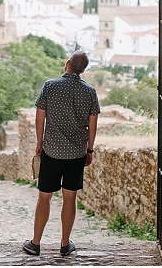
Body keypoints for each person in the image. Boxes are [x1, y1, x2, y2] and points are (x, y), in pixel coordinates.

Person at [23, 50, 100, 257]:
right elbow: (93, 125)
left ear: (67, 64)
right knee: (69, 197)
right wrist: (89, 149)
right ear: (83, 70)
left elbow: (40, 118)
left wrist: (39, 143)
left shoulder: (50, 86)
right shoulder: (90, 92)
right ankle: (65, 244)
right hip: (76, 154)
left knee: (44, 197)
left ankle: (35, 243)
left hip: (52, 151)